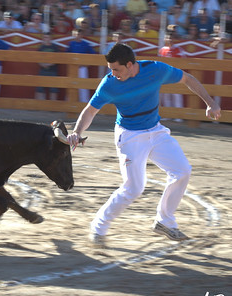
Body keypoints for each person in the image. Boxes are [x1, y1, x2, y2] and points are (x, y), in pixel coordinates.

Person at [65, 43, 221, 248]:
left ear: (130, 65)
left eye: (116, 69)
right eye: (110, 69)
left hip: (155, 131)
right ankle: (98, 227)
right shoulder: (109, 84)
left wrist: (210, 102)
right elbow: (90, 110)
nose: (113, 73)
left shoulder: (156, 70)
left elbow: (188, 79)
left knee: (182, 170)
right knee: (134, 188)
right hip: (130, 136)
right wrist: (77, 132)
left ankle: (164, 221)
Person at [158, 33, 185, 117]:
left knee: (176, 95)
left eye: (171, 38)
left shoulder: (178, 49)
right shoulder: (162, 50)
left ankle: (178, 116)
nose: (169, 40)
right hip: (164, 76)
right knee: (165, 95)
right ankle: (168, 115)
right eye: (167, 38)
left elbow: (183, 62)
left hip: (175, 74)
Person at [66, 28, 96, 102]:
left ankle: (84, 102)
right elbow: (66, 55)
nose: (77, 36)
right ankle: (69, 102)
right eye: (76, 34)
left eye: (79, 34)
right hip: (73, 68)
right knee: (71, 85)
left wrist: (88, 64)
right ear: (73, 35)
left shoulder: (85, 44)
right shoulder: (71, 44)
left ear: (82, 35)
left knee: (83, 86)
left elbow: (94, 55)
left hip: (83, 68)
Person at [35, 32, 60, 100]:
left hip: (53, 71)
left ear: (51, 38)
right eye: (45, 37)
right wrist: (42, 64)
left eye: (47, 37)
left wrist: (49, 64)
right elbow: (37, 58)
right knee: (40, 88)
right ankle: (40, 106)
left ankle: (52, 107)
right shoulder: (41, 47)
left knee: (53, 89)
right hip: (43, 70)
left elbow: (58, 59)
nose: (46, 39)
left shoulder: (55, 47)